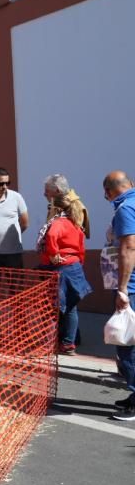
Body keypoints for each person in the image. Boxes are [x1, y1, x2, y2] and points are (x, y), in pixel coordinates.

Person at [35, 175, 92, 355]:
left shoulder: (59, 221)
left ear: (57, 195)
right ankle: (71, 340)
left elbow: (52, 236)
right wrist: (79, 260)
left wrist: (53, 255)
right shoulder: (73, 217)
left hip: (61, 266)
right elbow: (81, 242)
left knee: (57, 308)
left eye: (47, 191)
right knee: (70, 306)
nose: (44, 194)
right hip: (73, 263)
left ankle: (61, 342)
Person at [105, 171, 135, 420]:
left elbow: (128, 248)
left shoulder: (125, 209)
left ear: (108, 192)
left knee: (127, 345)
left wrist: (122, 290)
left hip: (133, 287)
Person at [44, 173, 90, 240]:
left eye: (47, 191)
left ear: (57, 190)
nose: (44, 194)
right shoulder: (53, 207)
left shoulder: (77, 207)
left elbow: (77, 235)